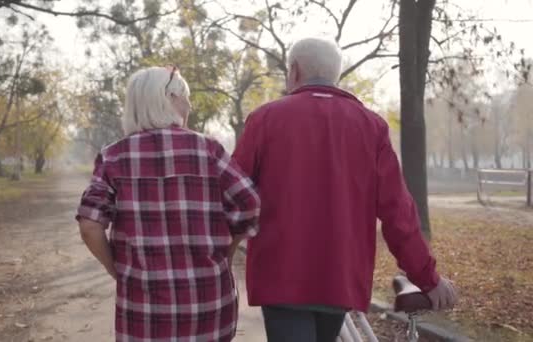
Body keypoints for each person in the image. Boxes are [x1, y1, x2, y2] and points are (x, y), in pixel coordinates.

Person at [232, 38, 458, 342]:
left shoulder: (264, 119)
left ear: (295, 70)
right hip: (340, 277)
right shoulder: (372, 126)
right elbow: (397, 213)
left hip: (281, 275)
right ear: (335, 74)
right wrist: (427, 278)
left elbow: (232, 195)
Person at [76, 66, 260, 341]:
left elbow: (90, 225)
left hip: (144, 313)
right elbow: (248, 203)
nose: (189, 105)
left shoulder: (114, 156)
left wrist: (115, 269)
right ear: (171, 97)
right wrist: (226, 252)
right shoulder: (209, 150)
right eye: (185, 97)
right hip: (208, 305)